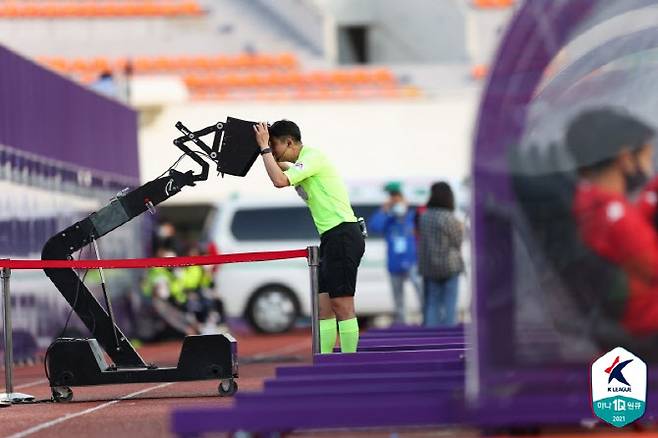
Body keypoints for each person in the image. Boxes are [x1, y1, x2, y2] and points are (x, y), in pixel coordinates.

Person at [253, 120, 365, 353]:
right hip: (331, 237)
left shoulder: (313, 157)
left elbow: (279, 180)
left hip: (343, 232)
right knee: (323, 307)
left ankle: (350, 364)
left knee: (341, 304)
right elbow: (279, 166)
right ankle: (324, 363)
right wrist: (261, 147)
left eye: (275, 145)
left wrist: (264, 148)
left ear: (290, 142)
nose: (273, 150)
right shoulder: (300, 163)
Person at [568, 108, 658, 337]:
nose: (649, 167)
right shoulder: (616, 217)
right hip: (647, 327)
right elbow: (651, 264)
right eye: (647, 156)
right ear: (626, 158)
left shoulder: (591, 204)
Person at [368, 182, 422, 324]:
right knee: (398, 298)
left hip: (412, 261)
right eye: (392, 197)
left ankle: (427, 320)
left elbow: (422, 227)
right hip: (394, 264)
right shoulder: (388, 218)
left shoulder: (411, 215)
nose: (395, 200)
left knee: (421, 292)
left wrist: (406, 209)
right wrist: (384, 211)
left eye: (397, 196)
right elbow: (374, 227)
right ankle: (402, 324)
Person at [417, 182, 464, 327]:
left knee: (432, 303)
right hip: (450, 265)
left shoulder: (424, 217)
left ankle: (431, 339)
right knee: (450, 303)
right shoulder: (450, 217)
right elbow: (457, 241)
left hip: (430, 266)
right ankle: (448, 338)